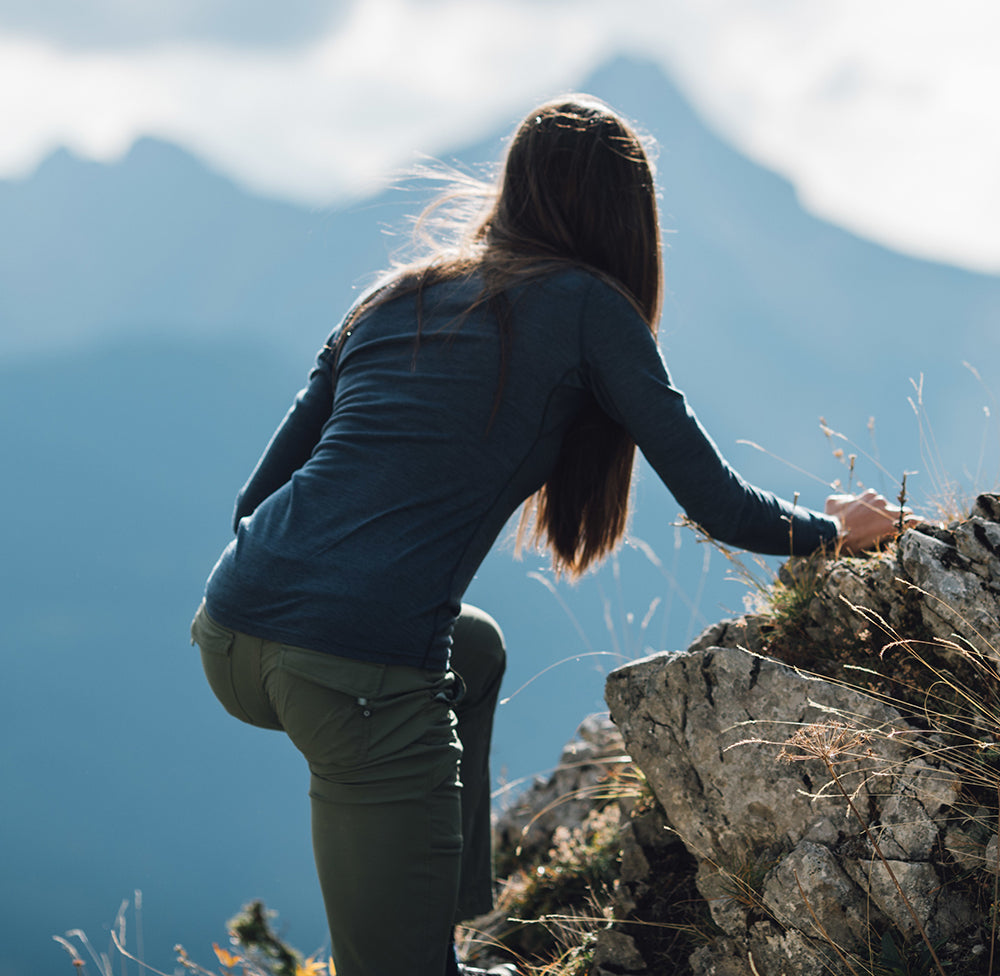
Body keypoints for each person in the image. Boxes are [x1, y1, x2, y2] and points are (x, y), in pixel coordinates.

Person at [191, 95, 905, 976]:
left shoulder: (393, 296)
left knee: (472, 648)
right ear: (628, 219)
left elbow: (255, 501)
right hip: (354, 678)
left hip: (229, 631)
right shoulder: (586, 307)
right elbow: (718, 502)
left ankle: (424, 922)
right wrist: (830, 530)